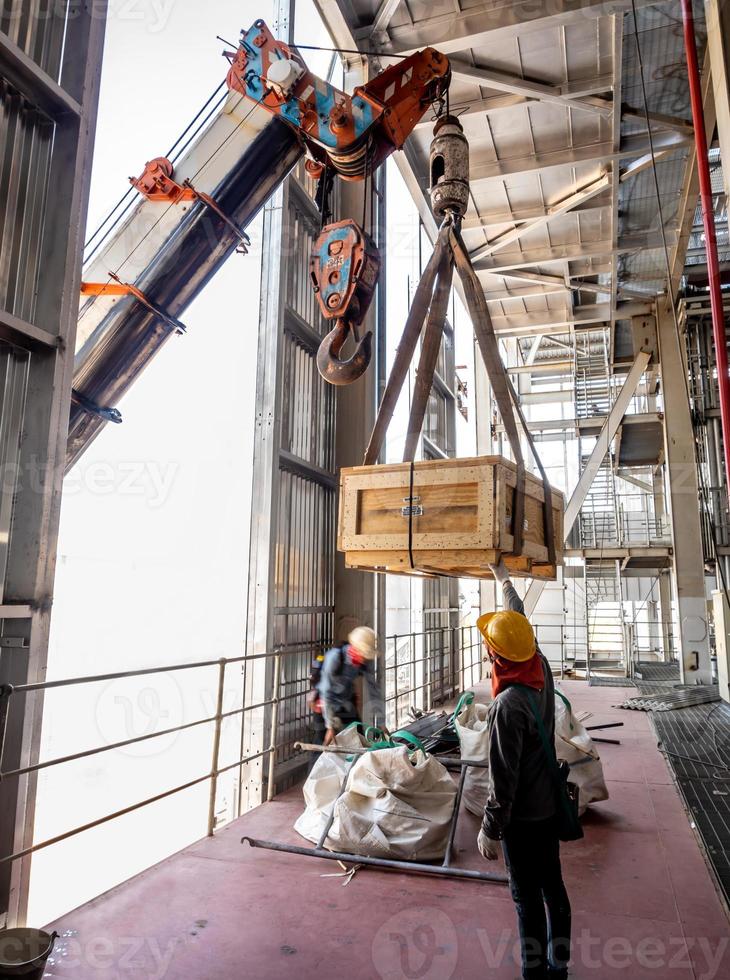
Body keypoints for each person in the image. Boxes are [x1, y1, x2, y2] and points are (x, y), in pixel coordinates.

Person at [475, 559, 571, 980]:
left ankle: (534, 973)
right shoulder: (541, 666)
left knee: (526, 898)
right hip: (549, 805)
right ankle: (559, 966)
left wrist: (490, 828)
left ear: (495, 655)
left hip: (523, 819)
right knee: (554, 889)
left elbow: (502, 777)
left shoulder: (506, 706)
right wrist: (504, 580)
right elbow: (519, 625)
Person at [315, 626, 387, 744]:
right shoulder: (334, 658)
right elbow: (326, 692)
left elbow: (374, 691)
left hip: (346, 701)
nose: (364, 659)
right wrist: (329, 726)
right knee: (324, 746)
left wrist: (381, 724)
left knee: (358, 739)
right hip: (324, 703)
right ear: (355, 649)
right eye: (363, 655)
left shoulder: (364, 661)